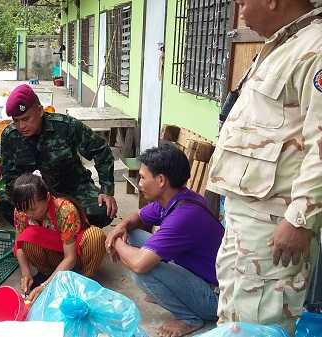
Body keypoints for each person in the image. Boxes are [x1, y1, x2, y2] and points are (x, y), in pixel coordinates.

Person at [206, 0, 322, 333]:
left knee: (260, 320)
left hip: (275, 224)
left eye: (243, 1)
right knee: (235, 314)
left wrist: (300, 218)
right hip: (249, 217)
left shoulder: (315, 48)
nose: (240, 11)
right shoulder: (282, 45)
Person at [106, 144, 223, 337]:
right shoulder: (174, 198)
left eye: (143, 177)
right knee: (133, 234)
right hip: (197, 275)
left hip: (214, 297)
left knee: (143, 272)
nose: (139, 183)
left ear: (161, 180)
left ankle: (189, 318)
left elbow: (139, 264)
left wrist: (115, 241)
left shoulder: (184, 216)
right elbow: (138, 217)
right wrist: (120, 228)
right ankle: (170, 293)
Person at [0, 84, 117, 228]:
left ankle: (72, 234)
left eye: (26, 119)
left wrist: (107, 191)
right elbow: (10, 177)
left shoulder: (66, 127)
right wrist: (28, 200)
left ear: (40, 110)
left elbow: (100, 149)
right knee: (4, 202)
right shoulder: (10, 136)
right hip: (32, 195)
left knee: (103, 210)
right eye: (16, 121)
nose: (21, 126)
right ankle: (43, 233)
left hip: (71, 189)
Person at [12, 171, 106, 302]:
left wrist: (44, 286)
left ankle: (82, 280)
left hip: (74, 254)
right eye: (24, 210)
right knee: (26, 238)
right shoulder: (21, 211)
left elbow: (70, 257)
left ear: (48, 197)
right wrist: (25, 273)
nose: (28, 214)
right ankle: (47, 275)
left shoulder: (65, 209)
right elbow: (19, 244)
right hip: (51, 257)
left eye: (33, 209)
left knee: (95, 236)